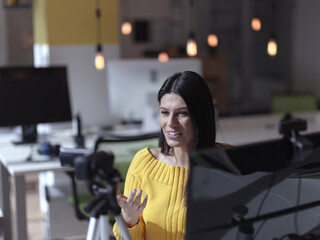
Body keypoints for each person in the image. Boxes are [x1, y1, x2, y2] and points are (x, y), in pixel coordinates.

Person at [113, 71, 217, 240]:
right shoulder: (144, 163)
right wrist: (129, 219)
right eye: (164, 112)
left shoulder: (227, 163)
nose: (170, 123)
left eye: (182, 113)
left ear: (200, 115)